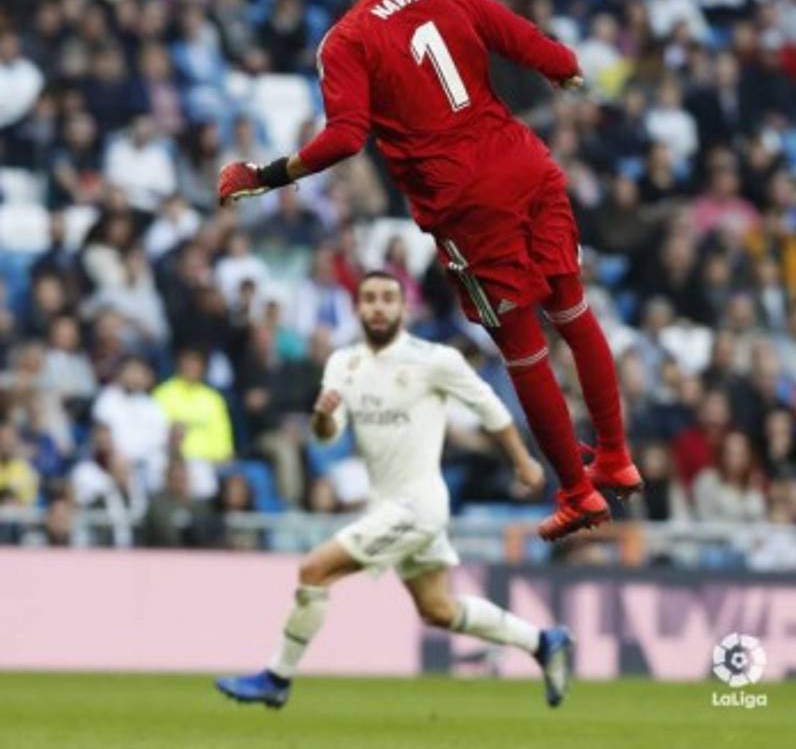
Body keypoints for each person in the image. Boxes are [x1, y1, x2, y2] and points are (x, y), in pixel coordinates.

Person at [218, 0, 641, 540]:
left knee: (524, 350)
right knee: (574, 314)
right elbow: (547, 53)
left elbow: (343, 139)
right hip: (528, 165)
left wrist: (267, 174)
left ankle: (579, 493)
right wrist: (564, 70)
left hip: (467, 200)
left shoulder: (345, 41)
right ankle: (616, 455)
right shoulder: (454, 0)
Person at [215, 271, 573, 710]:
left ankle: (277, 677)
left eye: (388, 298)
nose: (378, 306)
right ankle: (542, 641)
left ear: (403, 309)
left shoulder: (434, 359)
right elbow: (327, 435)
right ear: (358, 308)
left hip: (419, 505)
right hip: (386, 503)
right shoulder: (343, 363)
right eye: (369, 299)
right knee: (438, 608)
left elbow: (489, 406)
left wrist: (522, 459)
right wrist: (324, 418)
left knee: (314, 570)